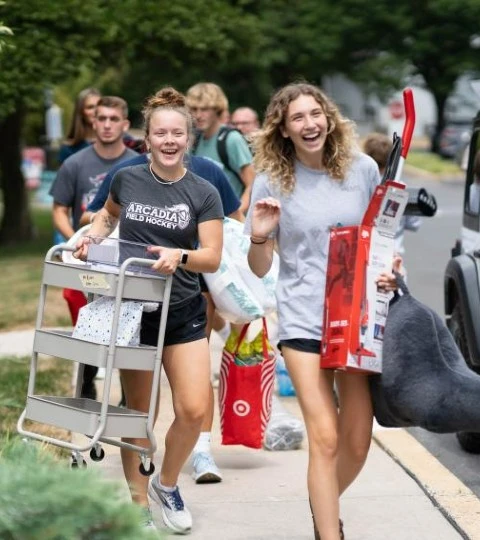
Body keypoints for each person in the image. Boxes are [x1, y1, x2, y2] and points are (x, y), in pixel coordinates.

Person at [245, 82, 401, 540]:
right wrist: (258, 235)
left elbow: (385, 237)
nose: (309, 124)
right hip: (303, 319)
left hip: (355, 317)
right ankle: (330, 532)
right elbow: (259, 269)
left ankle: (322, 512)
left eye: (316, 114)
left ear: (329, 118)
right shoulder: (272, 179)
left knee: (356, 440)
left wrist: (391, 268)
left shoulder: (363, 170)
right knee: (326, 437)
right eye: (298, 118)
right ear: (284, 129)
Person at [74, 87, 224, 533]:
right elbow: (107, 214)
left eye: (178, 132)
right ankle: (137, 501)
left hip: (181, 309)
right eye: (161, 132)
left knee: (194, 409)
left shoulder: (203, 190)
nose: (169, 140)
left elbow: (212, 256)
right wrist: (92, 237)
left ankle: (168, 483)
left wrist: (181, 257)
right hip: (132, 307)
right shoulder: (127, 178)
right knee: (138, 411)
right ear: (148, 137)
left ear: (188, 137)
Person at [50, 96, 137, 400]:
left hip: (127, 255)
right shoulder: (75, 163)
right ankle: (87, 377)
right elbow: (59, 209)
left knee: (128, 319)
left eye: (115, 119)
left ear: (125, 124)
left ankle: (128, 390)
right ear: (93, 122)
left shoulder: (137, 164)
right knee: (85, 314)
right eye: (102, 118)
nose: (108, 125)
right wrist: (77, 238)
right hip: (88, 253)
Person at [186, 82, 255, 213]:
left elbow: (252, 184)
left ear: (217, 109)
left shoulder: (231, 139)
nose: (198, 115)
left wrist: (236, 216)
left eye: (205, 109)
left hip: (229, 222)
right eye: (194, 109)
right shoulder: (195, 140)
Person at [363, 132, 422, 256]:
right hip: (392, 256)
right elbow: (414, 223)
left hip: (365, 252)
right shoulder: (401, 188)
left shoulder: (361, 186)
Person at [58, 88, 102, 164]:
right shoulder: (69, 149)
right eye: (90, 107)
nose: (96, 111)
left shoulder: (116, 143)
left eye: (99, 106)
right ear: (81, 112)